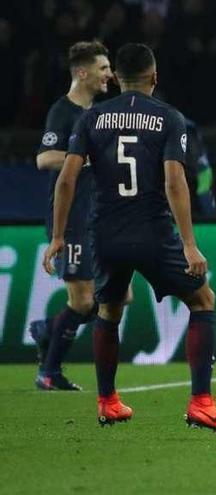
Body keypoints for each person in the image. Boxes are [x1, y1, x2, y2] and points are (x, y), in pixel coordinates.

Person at [42, 43, 216, 433]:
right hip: (152, 231)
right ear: (154, 77)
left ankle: (107, 402)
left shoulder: (91, 118)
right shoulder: (169, 118)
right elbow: (174, 180)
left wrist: (58, 236)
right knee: (203, 300)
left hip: (105, 232)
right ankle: (201, 402)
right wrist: (188, 243)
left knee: (108, 311)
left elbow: (65, 179)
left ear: (115, 77)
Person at [28, 41, 112, 391]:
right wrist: (85, 159)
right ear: (82, 72)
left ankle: (47, 329)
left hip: (96, 216)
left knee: (113, 298)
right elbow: (44, 159)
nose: (109, 74)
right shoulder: (62, 112)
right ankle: (49, 372)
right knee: (84, 300)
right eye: (103, 68)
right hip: (71, 218)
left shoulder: (96, 112)